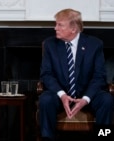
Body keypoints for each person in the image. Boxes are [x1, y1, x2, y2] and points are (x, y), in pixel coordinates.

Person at [39, 8, 113, 141]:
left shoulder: (94, 44)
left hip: (87, 93)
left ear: (73, 29)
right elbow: (46, 74)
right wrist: (62, 95)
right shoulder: (50, 44)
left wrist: (86, 98)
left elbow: (99, 76)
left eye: (60, 25)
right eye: (56, 24)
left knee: (107, 100)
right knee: (45, 99)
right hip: (60, 94)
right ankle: (47, 138)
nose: (55, 28)